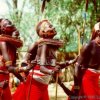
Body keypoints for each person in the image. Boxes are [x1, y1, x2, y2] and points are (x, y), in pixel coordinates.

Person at [74, 22, 100, 100]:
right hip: (87, 79)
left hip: (96, 79)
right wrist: (77, 86)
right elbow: (77, 66)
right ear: (98, 32)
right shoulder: (89, 45)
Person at [0, 18, 24, 100]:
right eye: (6, 23)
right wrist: (25, 68)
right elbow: (9, 67)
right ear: (2, 29)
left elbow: (12, 68)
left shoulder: (13, 47)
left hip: (5, 80)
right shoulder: (2, 42)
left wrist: (22, 79)